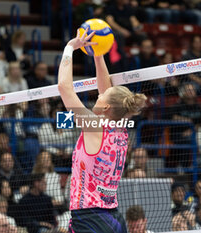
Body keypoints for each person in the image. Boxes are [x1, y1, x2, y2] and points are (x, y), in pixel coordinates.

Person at [58, 28, 146, 233]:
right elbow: (106, 90)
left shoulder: (93, 126)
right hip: (113, 217)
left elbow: (64, 87)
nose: (98, 96)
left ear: (106, 108)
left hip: (89, 217)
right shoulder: (121, 126)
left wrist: (70, 47)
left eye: (100, 97)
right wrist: (98, 54)